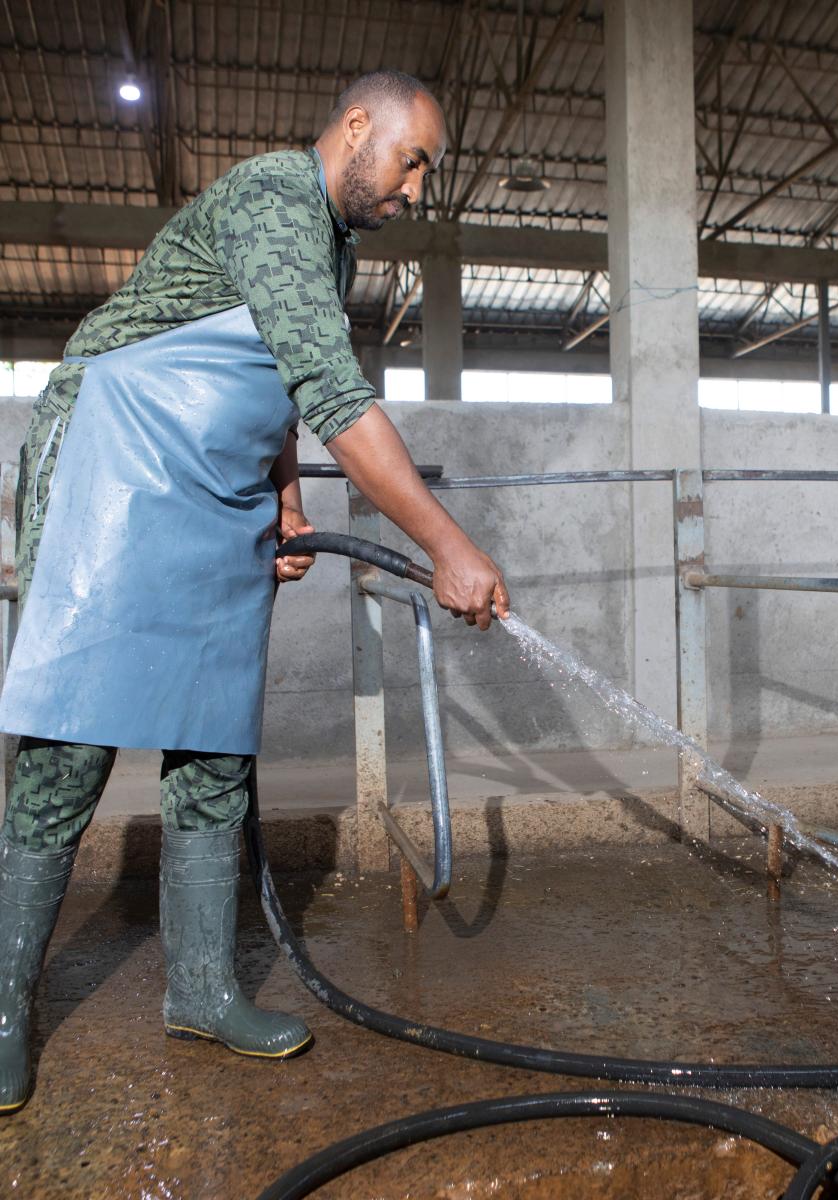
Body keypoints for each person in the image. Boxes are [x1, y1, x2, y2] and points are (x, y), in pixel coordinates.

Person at [0, 70, 509, 1113]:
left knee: (215, 742)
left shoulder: (335, 242)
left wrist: (281, 499)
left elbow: (273, 384)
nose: (416, 189)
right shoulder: (277, 195)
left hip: (213, 482)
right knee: (70, 741)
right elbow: (329, 389)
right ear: (358, 127)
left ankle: (201, 991)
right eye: (413, 160)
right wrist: (450, 545)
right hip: (118, 450)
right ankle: (4, 1014)